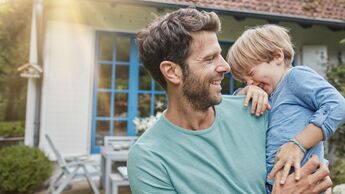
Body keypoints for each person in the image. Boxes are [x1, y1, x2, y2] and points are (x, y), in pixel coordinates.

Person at [128, 8, 332, 194]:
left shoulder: (255, 109)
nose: (225, 66)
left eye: (221, 55)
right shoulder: (149, 157)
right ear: (172, 72)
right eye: (210, 59)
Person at [227, 24, 345, 193]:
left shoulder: (294, 78)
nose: (250, 82)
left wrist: (299, 144)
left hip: (305, 181)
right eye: (244, 81)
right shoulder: (266, 95)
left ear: (277, 56)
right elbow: (234, 110)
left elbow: (337, 106)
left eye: (251, 73)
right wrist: (246, 91)